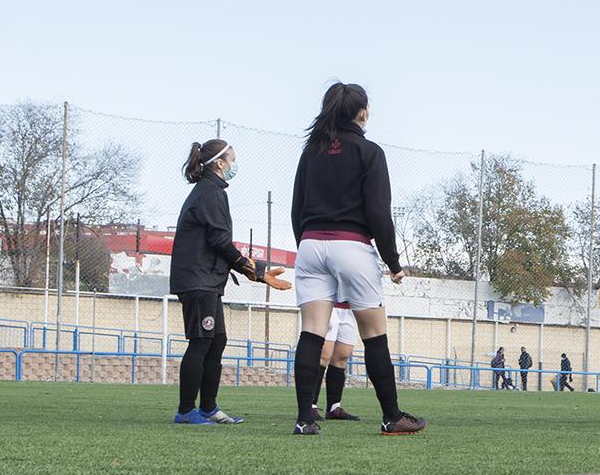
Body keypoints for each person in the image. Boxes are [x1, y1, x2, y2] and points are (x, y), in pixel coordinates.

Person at [288, 82, 423, 437]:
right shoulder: (369, 151)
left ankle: (305, 419)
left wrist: (306, 244)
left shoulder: (311, 151)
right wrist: (393, 263)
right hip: (352, 245)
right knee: (374, 334)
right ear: (362, 112)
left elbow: (296, 208)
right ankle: (392, 416)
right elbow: (379, 213)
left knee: (312, 332)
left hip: (311, 245)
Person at [171, 137, 289, 424]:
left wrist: (251, 270)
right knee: (201, 342)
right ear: (220, 163)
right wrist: (255, 271)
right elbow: (220, 240)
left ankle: (209, 408)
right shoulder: (210, 192)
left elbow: (217, 242)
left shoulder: (211, 191)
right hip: (198, 280)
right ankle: (186, 411)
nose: (234, 165)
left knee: (217, 340)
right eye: (232, 160)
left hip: (207, 280)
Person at [311, 302, 362, 421]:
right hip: (329, 304)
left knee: (342, 357)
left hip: (351, 307)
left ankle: (334, 408)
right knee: (323, 355)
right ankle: (310, 406)